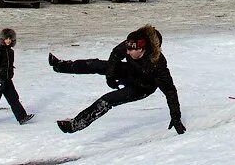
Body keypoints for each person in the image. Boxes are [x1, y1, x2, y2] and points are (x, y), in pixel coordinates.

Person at [49, 24, 185, 134]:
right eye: (127, 48)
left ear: (142, 50)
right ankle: (60, 65)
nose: (127, 52)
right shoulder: (132, 42)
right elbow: (115, 54)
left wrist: (176, 118)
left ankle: (75, 125)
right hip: (129, 71)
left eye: (131, 50)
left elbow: (170, 91)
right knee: (96, 65)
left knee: (106, 100)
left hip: (141, 88)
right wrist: (110, 76)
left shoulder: (157, 64)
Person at [0, 27, 34, 127]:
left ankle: (22, 117)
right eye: (6, 39)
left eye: (10, 39)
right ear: (2, 39)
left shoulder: (10, 52)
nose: (8, 41)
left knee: (14, 99)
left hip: (8, 79)